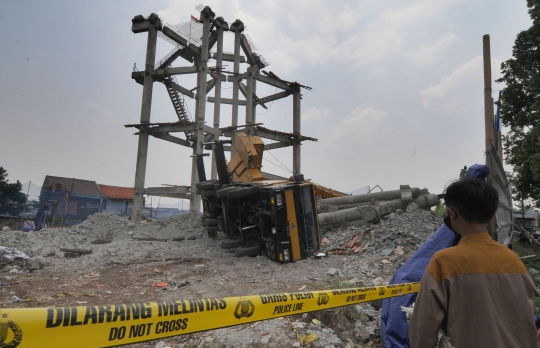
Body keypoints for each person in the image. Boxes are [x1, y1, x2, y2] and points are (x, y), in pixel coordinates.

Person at [409, 178, 537, 347]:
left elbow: (423, 331)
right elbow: (526, 320)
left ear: (451, 213)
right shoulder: (513, 260)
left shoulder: (443, 262)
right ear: (493, 215)